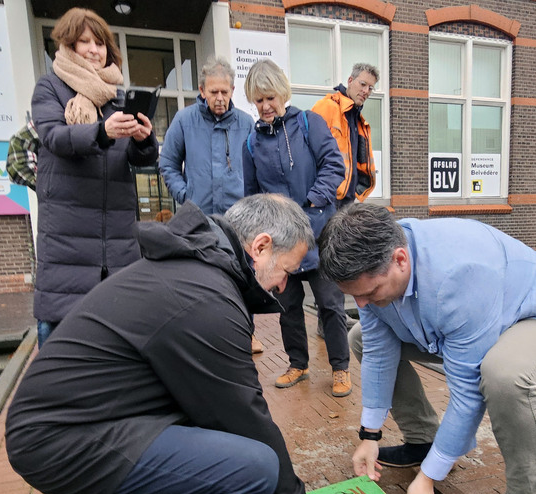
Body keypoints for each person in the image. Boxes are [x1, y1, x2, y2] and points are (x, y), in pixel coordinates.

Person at [5, 194, 340, 494]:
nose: (284, 288)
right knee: (253, 470)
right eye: (286, 271)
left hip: (78, 422)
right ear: (260, 247)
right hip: (60, 440)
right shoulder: (205, 296)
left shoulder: (193, 271)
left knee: (207, 426)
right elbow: (246, 419)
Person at [318, 204, 536, 494]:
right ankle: (422, 439)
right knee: (361, 337)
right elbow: (380, 349)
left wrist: (429, 478)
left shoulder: (460, 275)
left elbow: (467, 393)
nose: (362, 303)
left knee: (504, 375)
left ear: (400, 260)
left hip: (532, 310)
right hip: (460, 315)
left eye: (370, 292)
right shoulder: (373, 264)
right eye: (354, 296)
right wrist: (369, 434)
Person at [30, 7, 158, 347]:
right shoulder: (49, 89)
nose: (93, 50)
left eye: (100, 43)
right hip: (67, 239)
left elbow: (136, 159)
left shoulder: (116, 97)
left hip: (116, 241)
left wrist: (145, 141)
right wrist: (102, 132)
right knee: (59, 343)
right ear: (68, 45)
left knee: (114, 345)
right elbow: (55, 137)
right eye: (84, 42)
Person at [242, 59, 352, 398]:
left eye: (270, 97)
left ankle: (341, 368)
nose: (265, 106)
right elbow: (251, 193)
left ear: (282, 94)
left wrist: (310, 206)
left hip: (318, 235)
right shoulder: (251, 142)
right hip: (280, 243)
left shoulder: (309, 123)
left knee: (330, 305)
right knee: (287, 307)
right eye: (259, 100)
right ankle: (298, 364)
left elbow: (335, 166)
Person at [159, 56, 262, 353]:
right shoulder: (184, 120)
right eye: (213, 92)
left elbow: (256, 167)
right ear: (202, 90)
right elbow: (168, 164)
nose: (219, 98)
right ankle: (203, 336)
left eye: (225, 92)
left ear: (232, 90)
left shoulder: (245, 123)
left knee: (243, 276)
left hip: (238, 221)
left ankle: (246, 333)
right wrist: (186, 196)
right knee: (200, 278)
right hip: (198, 218)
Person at [311, 63, 379, 206]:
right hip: (327, 199)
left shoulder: (357, 119)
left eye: (370, 88)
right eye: (363, 84)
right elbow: (309, 154)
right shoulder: (327, 107)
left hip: (347, 200)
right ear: (350, 81)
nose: (366, 91)